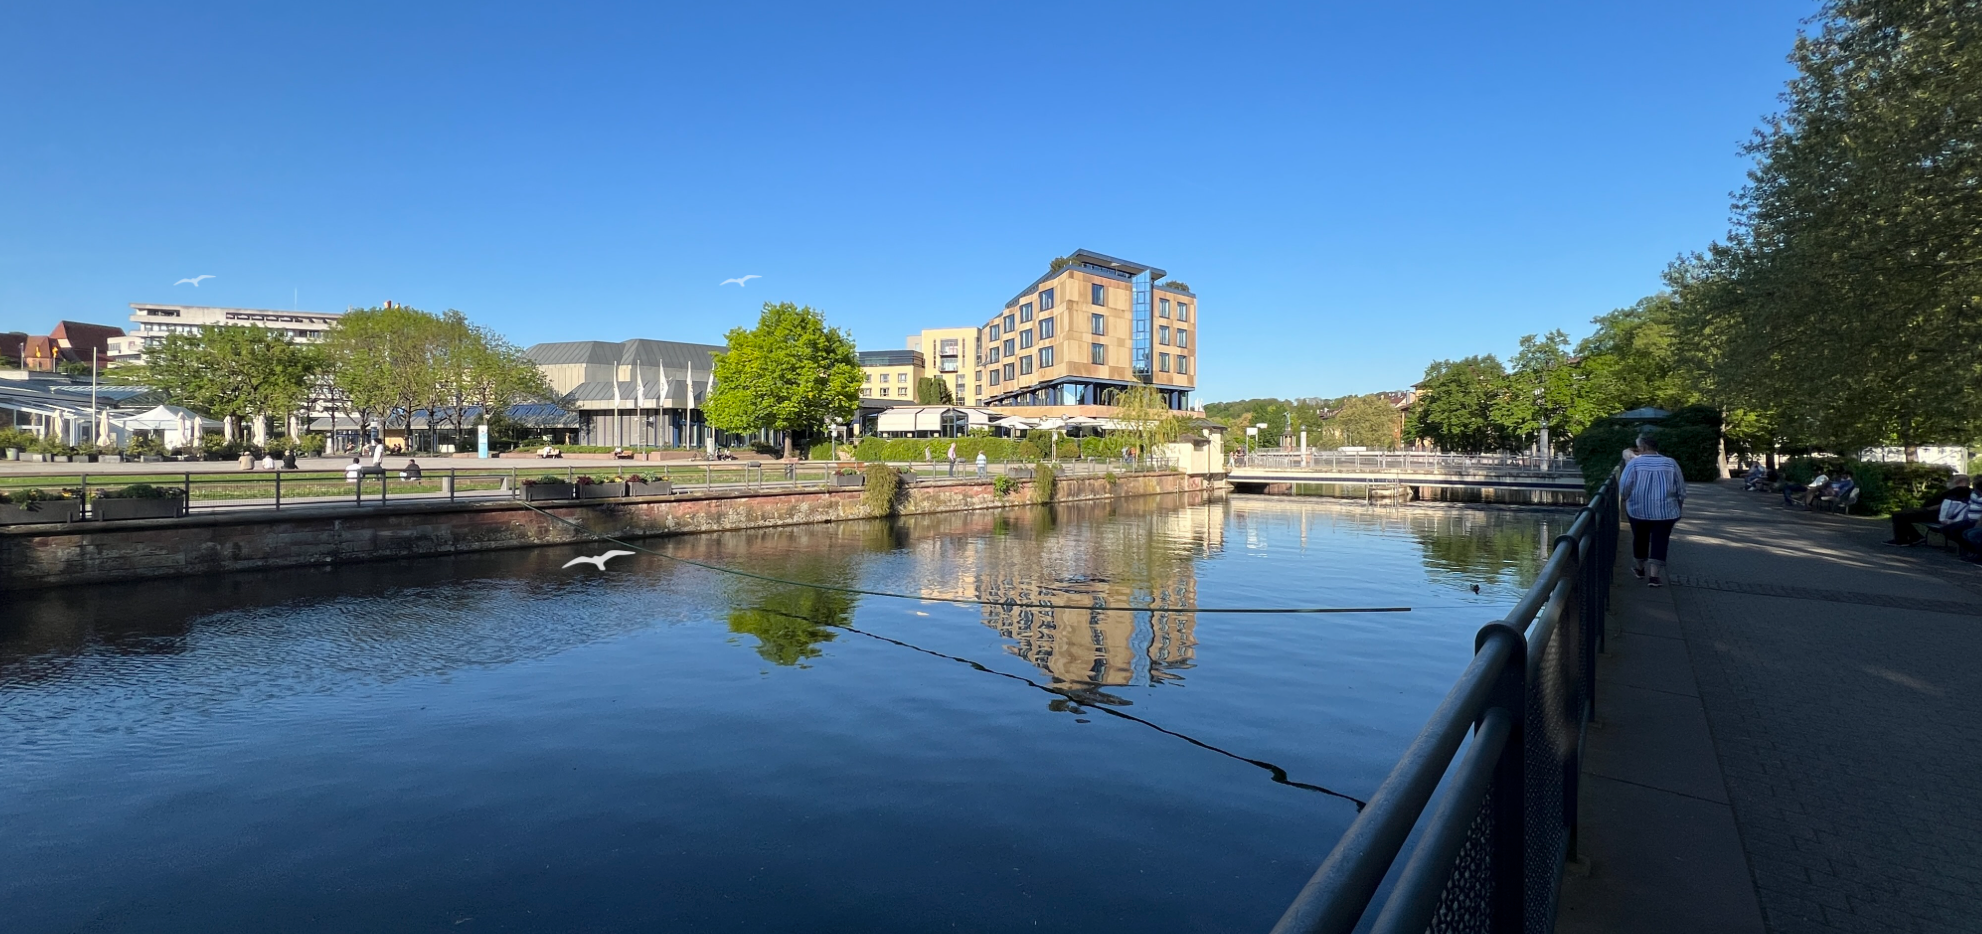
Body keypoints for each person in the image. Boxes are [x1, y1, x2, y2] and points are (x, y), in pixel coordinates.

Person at [1619, 432, 1685, 587]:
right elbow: (1680, 488)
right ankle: (1654, 576)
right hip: (1666, 511)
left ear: (1642, 447)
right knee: (1660, 541)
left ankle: (1640, 568)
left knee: (1640, 538)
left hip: (1638, 510)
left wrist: (1625, 498)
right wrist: (1679, 506)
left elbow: (1624, 486)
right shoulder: (1670, 463)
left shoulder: (1634, 464)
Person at [1886, 474, 1971, 546]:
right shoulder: (1959, 491)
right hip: (1935, 513)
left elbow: (1945, 505)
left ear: (1959, 482)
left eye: (1953, 480)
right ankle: (1915, 537)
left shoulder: (1961, 491)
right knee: (1902, 514)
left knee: (1899, 515)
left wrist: (1926, 509)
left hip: (1937, 514)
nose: (1950, 482)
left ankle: (1904, 539)